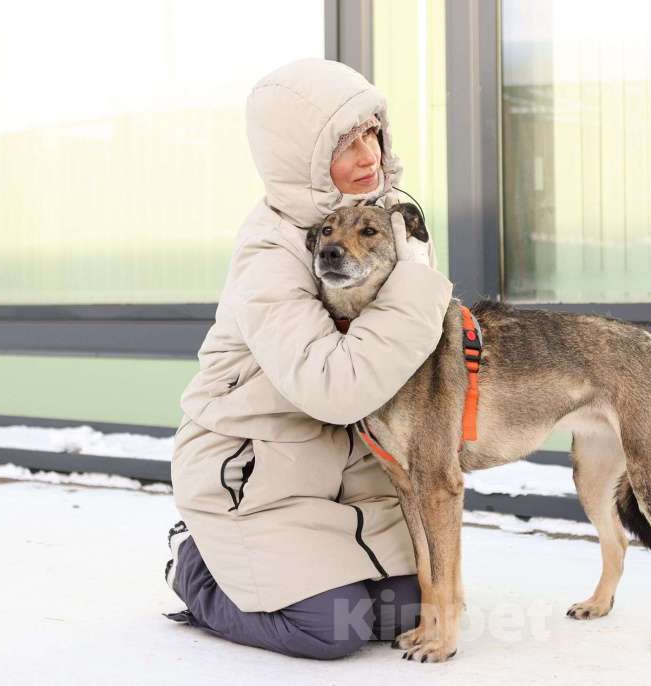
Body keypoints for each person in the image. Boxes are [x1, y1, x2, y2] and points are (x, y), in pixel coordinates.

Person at [161, 58, 454, 660]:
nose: (368, 154)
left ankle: (293, 572)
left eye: (372, 132)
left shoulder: (378, 220)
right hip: (256, 470)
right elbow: (335, 387)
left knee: (406, 610)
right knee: (333, 630)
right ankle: (195, 565)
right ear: (299, 154)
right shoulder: (269, 253)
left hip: (347, 473)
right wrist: (419, 283)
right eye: (344, 143)